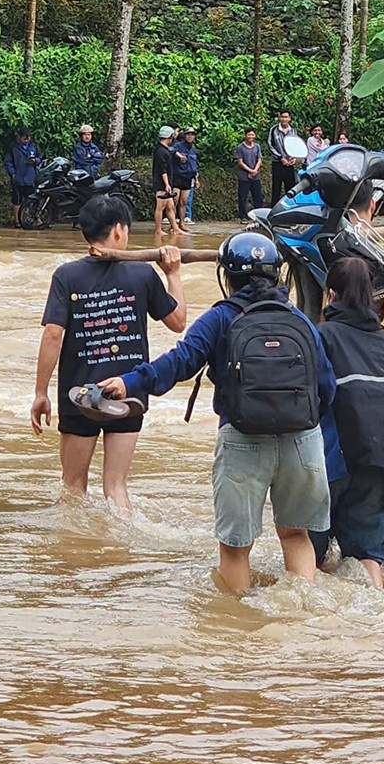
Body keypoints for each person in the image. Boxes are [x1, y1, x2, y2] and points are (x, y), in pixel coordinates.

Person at [97, 232, 337, 593]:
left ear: (228, 276)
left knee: (236, 547)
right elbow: (327, 388)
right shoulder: (300, 321)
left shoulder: (220, 319)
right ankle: (302, 614)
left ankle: (238, 628)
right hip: (301, 441)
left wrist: (130, 382)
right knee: (296, 535)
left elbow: (179, 362)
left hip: (243, 440)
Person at [32, 194, 187, 513]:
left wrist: (40, 392)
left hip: (80, 395)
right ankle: (120, 554)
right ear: (118, 230)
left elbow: (53, 334)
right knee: (116, 486)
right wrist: (173, 274)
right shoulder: (142, 274)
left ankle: (74, 551)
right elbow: (178, 322)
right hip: (127, 393)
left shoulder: (66, 275)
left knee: (73, 486)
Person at [311, 258, 384, 589]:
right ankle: (376, 607)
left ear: (331, 295)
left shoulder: (321, 336)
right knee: (367, 552)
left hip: (333, 459)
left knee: (309, 554)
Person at [3, 127, 41, 227]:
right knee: (17, 200)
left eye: (28, 139)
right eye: (24, 138)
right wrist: (12, 173)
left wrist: (35, 161)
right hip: (18, 178)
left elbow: (40, 158)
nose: (26, 141)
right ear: (19, 137)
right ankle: (17, 221)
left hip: (30, 177)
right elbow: (7, 162)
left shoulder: (33, 146)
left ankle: (36, 219)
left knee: (33, 199)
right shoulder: (13, 148)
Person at [150, 126, 179, 236]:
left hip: (166, 183)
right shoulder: (161, 151)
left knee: (170, 207)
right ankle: (158, 230)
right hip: (162, 183)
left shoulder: (163, 150)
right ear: (169, 137)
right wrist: (167, 184)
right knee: (160, 207)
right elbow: (163, 169)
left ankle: (175, 228)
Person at [268, 111, 301, 201]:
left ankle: (289, 210)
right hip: (277, 163)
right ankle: (273, 210)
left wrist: (294, 158)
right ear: (279, 118)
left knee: (290, 188)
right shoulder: (274, 130)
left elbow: (296, 144)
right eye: (282, 117)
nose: (284, 119)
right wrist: (280, 158)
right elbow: (270, 145)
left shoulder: (293, 130)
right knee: (276, 188)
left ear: (289, 118)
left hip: (290, 163)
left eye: (286, 117)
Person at [171, 127, 200, 227]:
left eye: (192, 134)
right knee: (175, 200)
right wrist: (180, 156)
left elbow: (195, 166)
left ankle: (182, 224)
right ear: (185, 135)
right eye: (188, 134)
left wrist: (196, 179)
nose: (190, 136)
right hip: (177, 176)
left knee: (184, 201)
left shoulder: (193, 149)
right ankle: (173, 224)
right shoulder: (178, 145)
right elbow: (172, 151)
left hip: (188, 178)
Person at [235, 128, 264, 219]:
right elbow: (240, 162)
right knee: (243, 197)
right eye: (249, 135)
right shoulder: (240, 147)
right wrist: (250, 171)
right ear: (245, 136)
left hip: (256, 176)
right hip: (244, 177)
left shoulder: (257, 146)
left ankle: (259, 216)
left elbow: (259, 160)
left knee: (258, 197)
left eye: (252, 135)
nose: (251, 137)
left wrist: (255, 170)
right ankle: (243, 216)